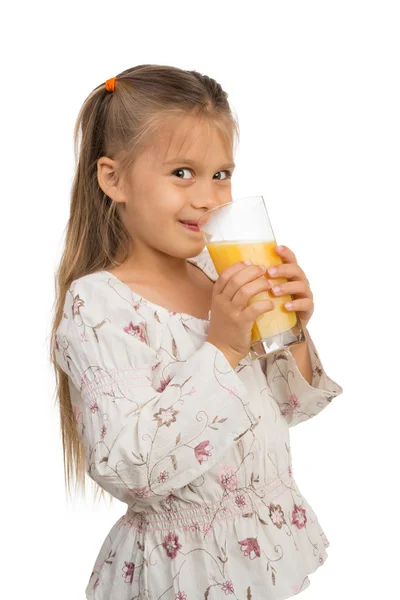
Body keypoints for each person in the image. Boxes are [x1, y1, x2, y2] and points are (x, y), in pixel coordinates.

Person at [51, 64, 343, 600]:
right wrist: (226, 345)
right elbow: (131, 467)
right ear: (113, 179)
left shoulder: (217, 273)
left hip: (261, 557)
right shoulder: (98, 303)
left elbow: (291, 406)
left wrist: (292, 330)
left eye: (221, 174)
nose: (209, 198)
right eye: (182, 173)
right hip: (180, 573)